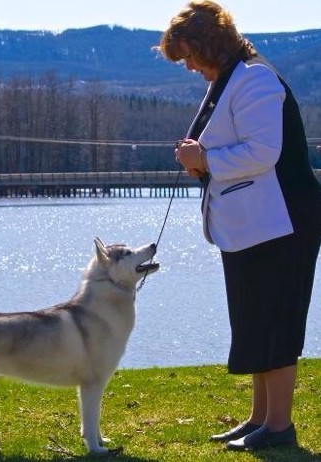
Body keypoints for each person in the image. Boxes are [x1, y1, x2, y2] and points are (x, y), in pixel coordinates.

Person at [157, 0, 321, 452]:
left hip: (283, 220)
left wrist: (205, 159)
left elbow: (262, 152)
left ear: (208, 45)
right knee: (254, 320)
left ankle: (280, 426)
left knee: (276, 320)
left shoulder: (254, 79)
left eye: (189, 55)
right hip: (255, 224)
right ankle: (259, 419)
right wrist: (202, 164)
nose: (188, 66)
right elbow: (241, 152)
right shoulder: (231, 79)